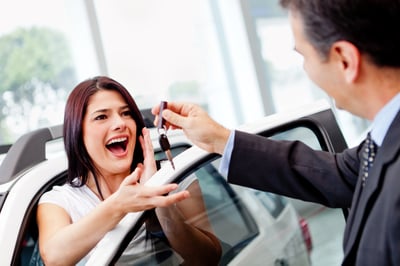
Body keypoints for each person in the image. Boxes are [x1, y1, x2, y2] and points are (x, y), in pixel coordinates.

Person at [152, 0, 400, 265]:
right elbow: (340, 174)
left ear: (345, 60)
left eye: (304, 56)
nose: (306, 70)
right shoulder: (382, 143)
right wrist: (219, 139)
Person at [36, 76, 221, 265]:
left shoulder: (175, 176)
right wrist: (119, 205)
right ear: (77, 132)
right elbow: (54, 257)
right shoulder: (60, 201)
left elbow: (209, 258)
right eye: (101, 117)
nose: (120, 123)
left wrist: (160, 201)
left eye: (126, 113)